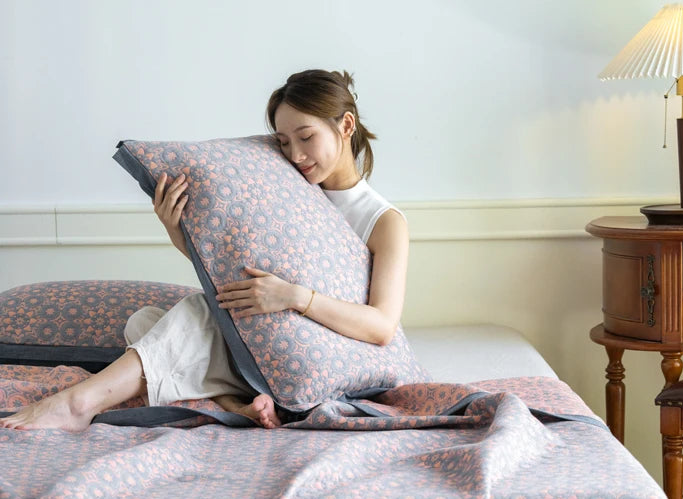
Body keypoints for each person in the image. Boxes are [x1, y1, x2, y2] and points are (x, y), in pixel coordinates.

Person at [1, 69, 409, 432]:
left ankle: (78, 403)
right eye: (284, 142)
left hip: (316, 357)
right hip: (260, 342)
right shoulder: (287, 191)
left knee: (193, 317)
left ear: (346, 125)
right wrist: (175, 227)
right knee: (146, 324)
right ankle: (235, 405)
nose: (296, 155)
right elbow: (233, 268)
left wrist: (295, 297)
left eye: (306, 138)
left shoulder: (383, 220)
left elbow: (381, 326)